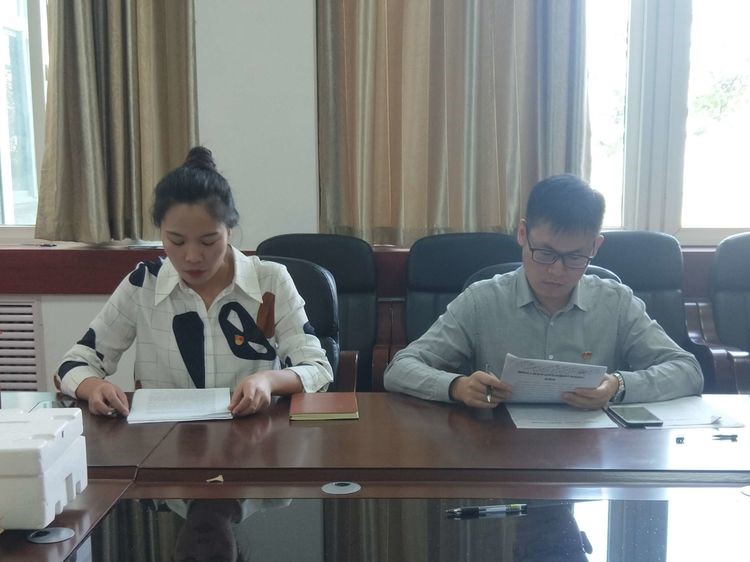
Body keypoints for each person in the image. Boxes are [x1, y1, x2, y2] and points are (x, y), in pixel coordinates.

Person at [384, 174, 703, 409]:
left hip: (592, 451)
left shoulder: (616, 302)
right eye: (546, 252)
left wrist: (617, 385)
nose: (557, 271)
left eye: (575, 257)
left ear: (595, 246)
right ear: (523, 234)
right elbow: (400, 368)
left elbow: (687, 370)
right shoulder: (482, 300)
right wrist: (456, 386)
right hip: (499, 449)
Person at [56, 146, 333, 416]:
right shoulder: (144, 284)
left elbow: (317, 369)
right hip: (163, 437)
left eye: (208, 241)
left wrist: (268, 381)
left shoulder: (270, 281)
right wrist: (94, 386)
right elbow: (73, 364)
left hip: (251, 435)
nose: (192, 257)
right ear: (161, 232)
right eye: (176, 241)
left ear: (230, 230)